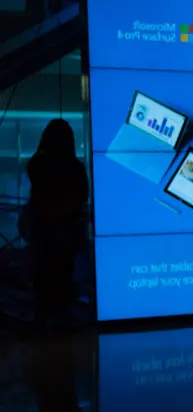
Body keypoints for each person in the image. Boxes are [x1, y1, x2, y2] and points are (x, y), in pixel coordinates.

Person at [25, 119, 89, 329]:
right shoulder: (76, 169)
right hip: (65, 236)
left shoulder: (40, 166)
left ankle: (42, 323)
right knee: (63, 279)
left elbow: (32, 168)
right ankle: (62, 322)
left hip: (44, 234)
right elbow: (82, 197)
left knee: (42, 281)